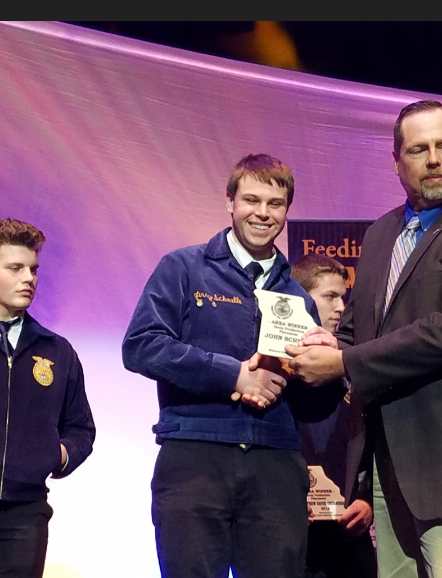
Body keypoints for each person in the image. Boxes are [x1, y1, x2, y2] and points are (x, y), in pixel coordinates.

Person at [286, 100, 442, 578]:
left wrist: (345, 362)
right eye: (419, 150)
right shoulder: (381, 234)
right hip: (388, 466)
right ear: (396, 161)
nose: (434, 159)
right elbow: (358, 328)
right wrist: (324, 344)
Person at [122, 154, 342, 578]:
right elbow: (141, 346)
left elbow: (312, 409)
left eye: (275, 204)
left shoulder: (299, 297)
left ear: (287, 210)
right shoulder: (184, 268)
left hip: (275, 464)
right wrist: (234, 374)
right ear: (230, 202)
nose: (263, 213)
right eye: (251, 200)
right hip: (196, 455)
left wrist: (329, 367)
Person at [0, 218, 96, 578]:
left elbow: (80, 427)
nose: (29, 278)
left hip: (23, 513)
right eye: (15, 268)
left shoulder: (56, 350)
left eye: (33, 269)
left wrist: (56, 455)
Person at [291, 254, 377, 578]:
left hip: (350, 537)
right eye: (330, 296)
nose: (341, 307)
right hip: (293, 537)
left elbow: (374, 444)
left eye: (343, 297)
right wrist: (283, 499)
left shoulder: (358, 368)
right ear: (299, 299)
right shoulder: (273, 370)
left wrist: (367, 500)